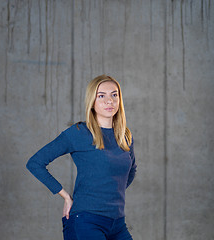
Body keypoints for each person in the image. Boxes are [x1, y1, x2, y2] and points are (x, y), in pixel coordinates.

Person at [26, 75, 137, 240]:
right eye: (101, 95)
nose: (110, 101)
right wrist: (65, 196)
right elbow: (35, 163)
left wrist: (108, 192)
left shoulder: (124, 135)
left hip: (117, 223)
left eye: (114, 95)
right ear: (92, 101)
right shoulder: (79, 133)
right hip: (86, 221)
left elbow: (131, 171)